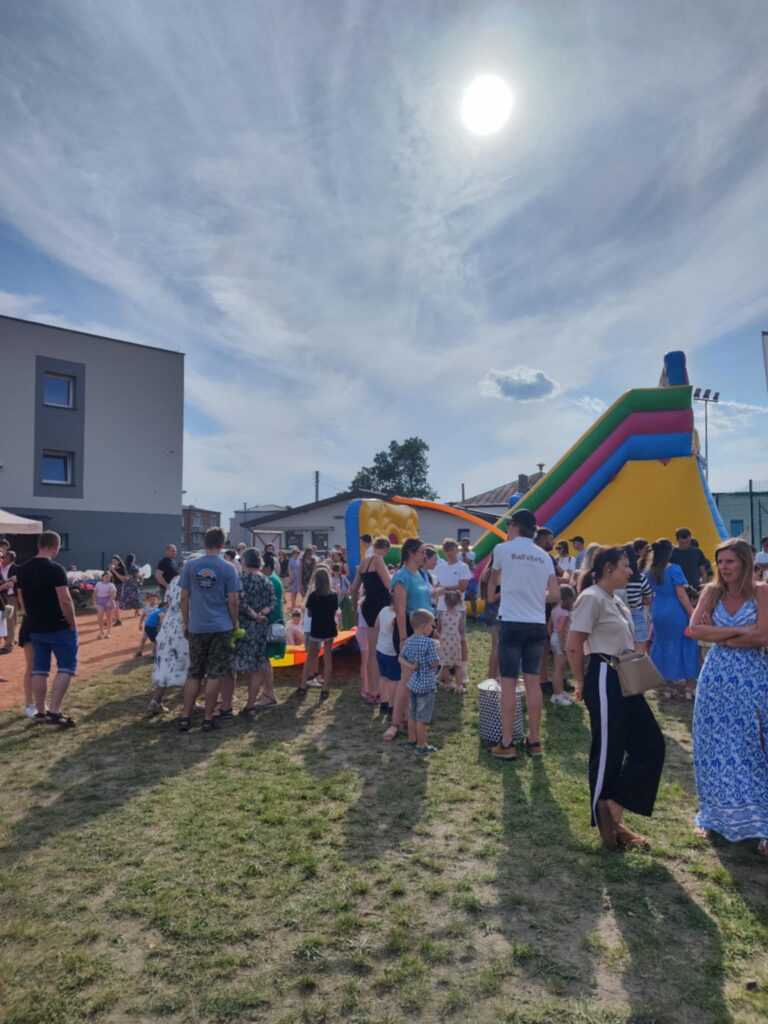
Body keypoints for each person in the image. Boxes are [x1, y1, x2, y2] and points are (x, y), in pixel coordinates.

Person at [567, 546, 665, 849]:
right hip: (603, 674)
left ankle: (611, 810)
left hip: (623, 676)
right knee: (609, 750)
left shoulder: (615, 600)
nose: (631, 571)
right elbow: (574, 644)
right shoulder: (591, 597)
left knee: (651, 744)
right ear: (608, 568)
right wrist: (581, 681)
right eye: (625, 565)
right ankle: (609, 823)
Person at [688, 539, 768, 857]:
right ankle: (712, 815)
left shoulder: (761, 591)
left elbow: (764, 635)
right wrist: (741, 632)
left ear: (745, 562)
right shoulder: (711, 592)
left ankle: (761, 821)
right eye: (720, 561)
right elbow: (695, 630)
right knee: (712, 745)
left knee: (752, 745)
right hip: (715, 678)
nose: (724, 567)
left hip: (752, 678)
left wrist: (720, 635)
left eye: (730, 561)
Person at [488, 509, 560, 760]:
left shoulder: (502, 549)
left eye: (508, 527)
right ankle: (535, 741)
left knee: (508, 683)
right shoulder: (544, 556)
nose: (507, 531)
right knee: (532, 682)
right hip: (536, 623)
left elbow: (494, 581)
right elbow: (555, 595)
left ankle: (507, 743)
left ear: (515, 527)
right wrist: (536, 596)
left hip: (511, 622)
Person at [178, 527, 241, 733]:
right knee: (215, 674)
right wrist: (234, 622)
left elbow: (184, 597)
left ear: (204, 543)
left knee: (194, 672)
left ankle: (185, 716)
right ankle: (207, 718)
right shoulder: (228, 568)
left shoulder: (190, 565)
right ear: (222, 544)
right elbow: (233, 600)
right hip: (220, 626)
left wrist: (186, 622)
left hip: (197, 625)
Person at [16, 530, 78, 727]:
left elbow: (21, 599)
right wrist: (72, 622)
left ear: (39, 545)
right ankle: (54, 710)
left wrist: (33, 617)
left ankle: (41, 711)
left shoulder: (23, 569)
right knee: (66, 666)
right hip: (58, 625)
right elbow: (65, 599)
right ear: (56, 546)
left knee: (39, 669)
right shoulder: (56, 569)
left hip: (35, 627)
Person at [383, 539, 434, 741]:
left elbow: (425, 603)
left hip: (424, 631)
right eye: (422, 552)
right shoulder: (402, 576)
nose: (425, 555)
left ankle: (412, 717)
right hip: (410, 632)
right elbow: (400, 609)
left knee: (420, 676)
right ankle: (395, 724)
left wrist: (433, 629)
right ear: (411, 553)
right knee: (406, 678)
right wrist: (404, 637)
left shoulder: (419, 573)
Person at [644, 539, 699, 700]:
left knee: (662, 645)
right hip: (675, 609)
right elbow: (681, 594)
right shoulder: (674, 569)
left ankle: (668, 686)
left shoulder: (650, 571)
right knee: (686, 643)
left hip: (658, 610)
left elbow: (647, 595)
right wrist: (691, 611)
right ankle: (689, 686)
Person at [231, 548, 276, 717]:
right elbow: (273, 601)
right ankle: (250, 704)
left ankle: (227, 702)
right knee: (257, 666)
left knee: (232, 665)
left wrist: (254, 615)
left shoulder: (240, 579)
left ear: (244, 561)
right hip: (261, 626)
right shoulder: (266, 580)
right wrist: (262, 613)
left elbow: (240, 602)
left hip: (243, 627)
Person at [349, 537, 393, 699]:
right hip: (380, 607)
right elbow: (388, 584)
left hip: (367, 607)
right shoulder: (378, 559)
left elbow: (353, 588)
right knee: (384, 649)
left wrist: (355, 607)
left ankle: (373, 691)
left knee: (372, 652)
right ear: (386, 549)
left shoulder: (364, 562)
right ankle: (381, 689)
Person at [399, 608, 440, 756]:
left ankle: (412, 740)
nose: (432, 629)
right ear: (423, 626)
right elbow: (433, 663)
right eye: (431, 625)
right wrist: (438, 652)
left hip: (413, 683)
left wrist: (411, 666)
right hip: (426, 685)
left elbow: (400, 658)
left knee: (412, 714)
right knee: (422, 718)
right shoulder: (429, 643)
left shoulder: (409, 641)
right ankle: (421, 745)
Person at [149, 576, 188, 714]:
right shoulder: (194, 579)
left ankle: (156, 700)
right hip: (184, 623)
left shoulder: (174, 580)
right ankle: (190, 702)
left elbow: (168, 601)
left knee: (166, 662)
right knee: (189, 663)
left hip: (169, 623)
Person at [299, 566, 338, 700]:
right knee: (328, 658)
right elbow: (334, 611)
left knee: (310, 657)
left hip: (316, 629)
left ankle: (303, 686)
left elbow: (309, 613)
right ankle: (325, 689)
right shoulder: (333, 595)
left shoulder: (313, 596)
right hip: (329, 628)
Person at [623, 544, 653, 654]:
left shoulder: (616, 579)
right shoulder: (640, 578)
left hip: (620, 613)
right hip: (637, 613)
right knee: (640, 649)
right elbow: (649, 598)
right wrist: (639, 600)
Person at [549, 584, 576, 705]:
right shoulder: (565, 612)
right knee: (558, 669)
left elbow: (549, 626)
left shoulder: (554, 610)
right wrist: (562, 645)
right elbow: (560, 630)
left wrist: (552, 639)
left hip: (555, 638)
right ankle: (557, 695)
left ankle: (560, 691)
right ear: (569, 598)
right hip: (561, 640)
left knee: (559, 669)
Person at [433, 539, 471, 620]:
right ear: (444, 552)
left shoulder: (463, 567)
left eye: (451, 550)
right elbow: (436, 586)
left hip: (458, 609)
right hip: (441, 608)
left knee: (459, 629)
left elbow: (462, 588)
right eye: (447, 550)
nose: (449, 553)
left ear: (457, 550)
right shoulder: (439, 567)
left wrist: (444, 589)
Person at [438, 589, 467, 692]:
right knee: (458, 665)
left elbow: (439, 628)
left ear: (445, 601)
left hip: (445, 641)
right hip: (455, 641)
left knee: (446, 665)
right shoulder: (459, 615)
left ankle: (447, 684)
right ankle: (459, 686)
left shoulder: (442, 615)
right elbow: (462, 629)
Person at [479, 561, 500, 680]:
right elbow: (491, 597)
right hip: (496, 612)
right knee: (498, 647)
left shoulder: (486, 572)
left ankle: (495, 676)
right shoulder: (494, 573)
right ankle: (493, 677)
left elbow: (484, 596)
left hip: (491, 611)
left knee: (496, 647)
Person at [0, 547, 19, 647]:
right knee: (3, 620)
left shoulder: (16, 569)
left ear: (9, 558)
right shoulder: (1, 568)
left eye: (4, 557)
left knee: (10, 620)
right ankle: (10, 639)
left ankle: (9, 645)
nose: (2, 559)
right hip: (2, 599)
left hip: (11, 598)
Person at [94, 571, 117, 639]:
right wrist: (94, 601)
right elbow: (95, 592)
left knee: (109, 617)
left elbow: (114, 594)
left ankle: (108, 632)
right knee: (100, 616)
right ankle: (101, 632)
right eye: (106, 577)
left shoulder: (111, 585)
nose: (107, 578)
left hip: (109, 600)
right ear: (102, 577)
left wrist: (110, 601)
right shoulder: (98, 584)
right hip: (100, 601)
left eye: (109, 577)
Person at [109, 556, 127, 624]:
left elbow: (123, 579)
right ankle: (117, 619)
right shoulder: (112, 568)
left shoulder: (122, 568)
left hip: (119, 586)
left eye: (115, 561)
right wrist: (109, 571)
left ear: (119, 561)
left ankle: (116, 620)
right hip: (112, 586)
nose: (113, 562)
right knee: (113, 604)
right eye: (112, 561)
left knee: (116, 604)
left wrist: (114, 571)